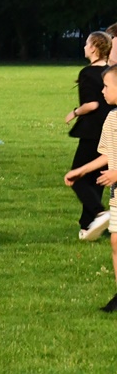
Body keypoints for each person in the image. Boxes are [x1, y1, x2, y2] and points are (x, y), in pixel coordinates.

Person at [64, 65, 117, 311]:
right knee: (115, 242)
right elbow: (107, 154)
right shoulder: (112, 118)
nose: (102, 91)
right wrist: (81, 171)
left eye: (106, 86)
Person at [65, 31, 113, 240]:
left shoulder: (87, 73)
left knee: (77, 176)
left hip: (93, 130)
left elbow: (91, 104)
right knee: (98, 178)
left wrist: (74, 112)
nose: (84, 47)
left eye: (87, 43)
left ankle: (100, 213)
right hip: (111, 128)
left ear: (93, 47)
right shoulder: (111, 71)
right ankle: (88, 225)